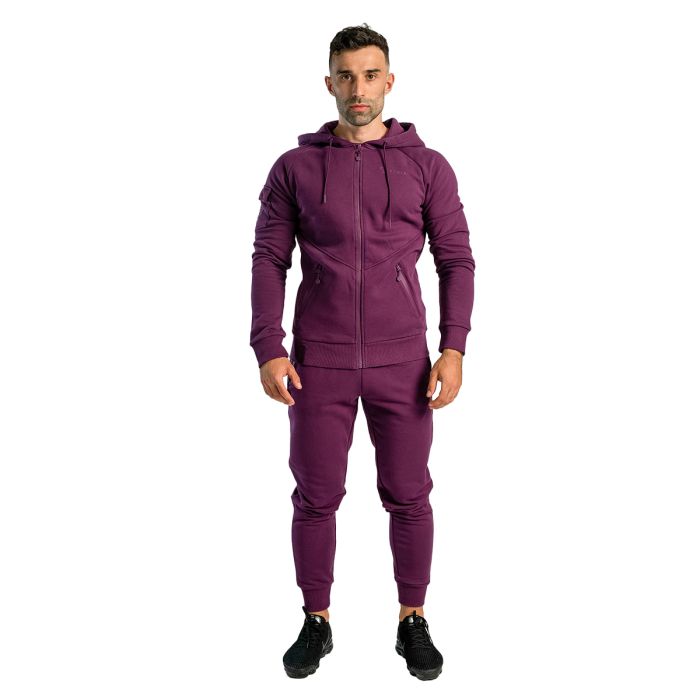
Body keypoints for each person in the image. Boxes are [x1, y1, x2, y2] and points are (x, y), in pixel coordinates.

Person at [249, 23, 475, 681]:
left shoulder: (427, 167)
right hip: (316, 363)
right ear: (329, 83)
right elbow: (268, 259)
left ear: (389, 82)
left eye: (370, 75)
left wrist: (454, 347)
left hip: (404, 363)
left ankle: (413, 619)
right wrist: (268, 345)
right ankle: (316, 620)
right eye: (346, 76)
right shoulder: (294, 168)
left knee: (409, 495)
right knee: (315, 497)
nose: (359, 88)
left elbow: (456, 260)